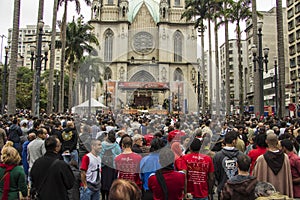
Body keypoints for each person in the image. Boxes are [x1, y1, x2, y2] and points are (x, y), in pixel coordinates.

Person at [253, 133, 293, 198]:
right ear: (277, 141)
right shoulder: (285, 157)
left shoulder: (261, 159)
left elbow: (256, 177)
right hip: (282, 193)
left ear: (266, 141)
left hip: (266, 195)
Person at [213, 130, 243, 199]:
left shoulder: (217, 156)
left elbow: (216, 173)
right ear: (234, 141)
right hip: (237, 189)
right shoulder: (241, 155)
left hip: (222, 188)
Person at [100, 130, 121, 200]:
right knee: (111, 183)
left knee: (103, 182)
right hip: (112, 167)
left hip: (104, 166)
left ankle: (103, 197)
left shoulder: (102, 144)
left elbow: (99, 155)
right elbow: (119, 155)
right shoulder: (116, 145)